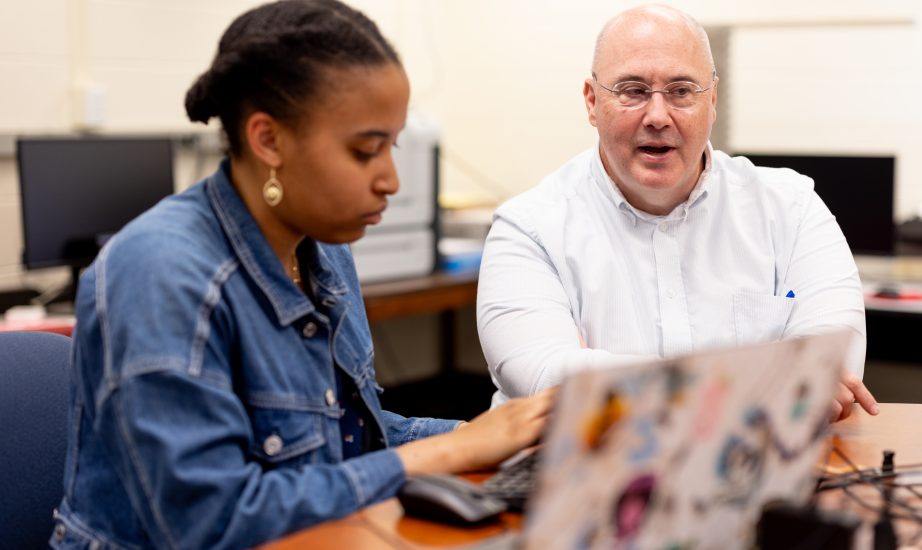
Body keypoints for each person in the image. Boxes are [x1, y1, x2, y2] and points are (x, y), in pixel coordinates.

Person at [51, 1, 552, 548]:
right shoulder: (160, 274)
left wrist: (494, 436)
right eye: (365, 151)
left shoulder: (320, 249)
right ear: (268, 140)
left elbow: (345, 439)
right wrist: (445, 453)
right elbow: (209, 523)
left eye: (393, 146)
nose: (390, 179)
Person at [476, 5, 877, 422]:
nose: (657, 116)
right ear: (592, 102)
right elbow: (543, 378)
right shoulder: (528, 227)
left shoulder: (791, 208)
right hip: (568, 478)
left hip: (755, 472)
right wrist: (765, 381)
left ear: (713, 101)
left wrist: (611, 379)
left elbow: (832, 360)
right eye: (632, 90)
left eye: (682, 91)